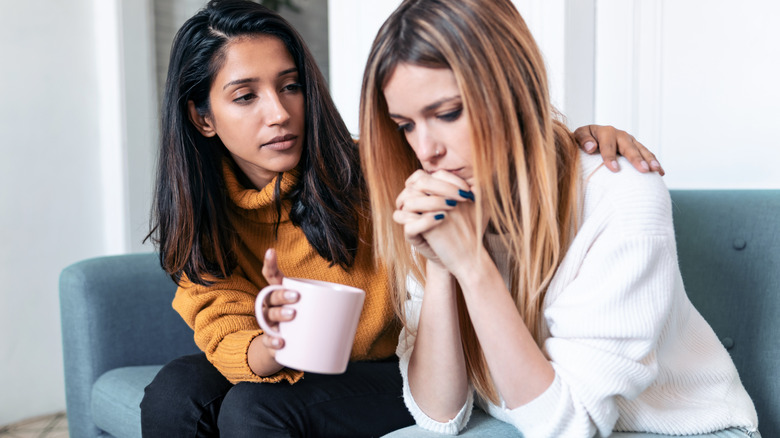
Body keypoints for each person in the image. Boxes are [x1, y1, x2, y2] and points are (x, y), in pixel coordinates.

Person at [140, 0, 661, 436]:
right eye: (245, 96)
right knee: (175, 394)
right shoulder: (200, 215)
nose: (278, 113)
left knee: (254, 411)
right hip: (296, 360)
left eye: (291, 86)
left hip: (392, 363)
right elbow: (221, 326)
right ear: (202, 117)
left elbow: (496, 149)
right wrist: (277, 344)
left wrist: (573, 143)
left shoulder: (380, 168)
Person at [358, 0, 760, 437]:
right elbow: (439, 416)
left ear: (513, 91)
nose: (426, 149)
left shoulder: (620, 191)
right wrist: (441, 265)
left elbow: (569, 426)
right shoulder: (444, 200)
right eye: (406, 125)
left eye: (449, 113)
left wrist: (473, 266)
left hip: (681, 430)